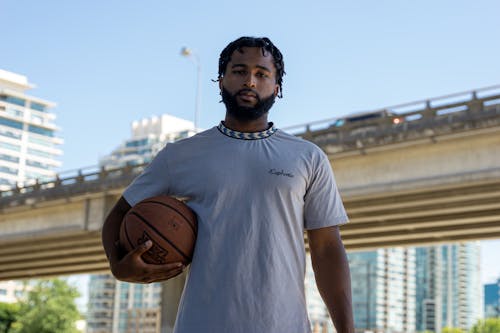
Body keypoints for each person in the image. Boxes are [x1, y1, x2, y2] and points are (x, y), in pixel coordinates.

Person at [102, 36, 354, 333]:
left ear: (277, 88)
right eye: (239, 71)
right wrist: (118, 265)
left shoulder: (307, 157)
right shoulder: (181, 155)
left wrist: (346, 330)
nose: (249, 80)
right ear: (221, 81)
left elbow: (326, 249)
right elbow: (118, 215)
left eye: (261, 74)